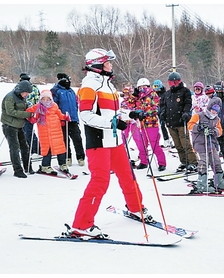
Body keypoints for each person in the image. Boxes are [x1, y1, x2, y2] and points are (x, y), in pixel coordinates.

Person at [65, 48, 151, 238]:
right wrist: (112, 123)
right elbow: (85, 116)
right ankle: (81, 224)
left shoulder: (109, 86)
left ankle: (135, 207)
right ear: (98, 66)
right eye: (108, 62)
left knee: (128, 175)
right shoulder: (89, 86)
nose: (111, 65)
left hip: (115, 140)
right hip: (98, 142)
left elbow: (113, 113)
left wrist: (130, 114)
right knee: (100, 181)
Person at [187, 97, 224, 193]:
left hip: (211, 145)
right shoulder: (199, 115)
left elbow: (220, 131)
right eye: (212, 110)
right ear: (209, 108)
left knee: (216, 162)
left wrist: (214, 131)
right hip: (199, 145)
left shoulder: (217, 119)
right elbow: (190, 125)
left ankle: (219, 181)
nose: (214, 112)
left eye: (216, 111)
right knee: (203, 163)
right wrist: (199, 127)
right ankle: (202, 184)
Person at [159, 71, 198, 172]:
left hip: (181, 121)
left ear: (179, 81)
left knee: (185, 143)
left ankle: (193, 162)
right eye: (171, 82)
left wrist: (186, 112)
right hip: (170, 123)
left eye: (175, 82)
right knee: (177, 145)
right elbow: (163, 105)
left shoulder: (185, 91)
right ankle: (184, 161)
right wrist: (162, 113)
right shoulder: (167, 94)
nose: (173, 84)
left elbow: (188, 103)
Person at [125, 78, 167, 172]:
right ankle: (144, 162)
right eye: (140, 87)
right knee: (142, 144)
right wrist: (133, 96)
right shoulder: (138, 96)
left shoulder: (152, 94)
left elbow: (156, 108)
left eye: (144, 87)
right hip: (141, 124)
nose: (142, 89)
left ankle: (161, 163)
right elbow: (129, 105)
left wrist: (145, 114)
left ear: (148, 86)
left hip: (151, 123)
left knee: (154, 144)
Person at [25, 90, 71, 174]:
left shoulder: (54, 106)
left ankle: (62, 164)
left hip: (56, 131)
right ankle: (45, 166)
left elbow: (60, 114)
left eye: (48, 99)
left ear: (51, 99)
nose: (46, 101)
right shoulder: (37, 107)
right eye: (43, 99)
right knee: (47, 149)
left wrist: (65, 117)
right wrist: (32, 117)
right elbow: (28, 112)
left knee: (60, 148)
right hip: (44, 132)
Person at [1, 80, 35, 178]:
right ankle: (17, 170)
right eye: (26, 93)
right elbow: (10, 111)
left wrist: (32, 111)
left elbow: (24, 108)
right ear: (21, 90)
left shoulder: (22, 97)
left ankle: (28, 166)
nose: (27, 95)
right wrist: (28, 114)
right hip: (9, 126)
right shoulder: (10, 97)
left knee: (25, 147)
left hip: (19, 125)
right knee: (14, 148)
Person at [51, 73, 86, 167]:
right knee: (65, 140)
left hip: (73, 119)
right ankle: (67, 157)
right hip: (62, 119)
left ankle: (80, 157)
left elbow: (75, 104)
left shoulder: (71, 91)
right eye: (66, 81)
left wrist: (76, 117)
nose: (68, 82)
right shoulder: (56, 91)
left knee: (77, 138)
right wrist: (59, 117)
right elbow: (54, 106)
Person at [20, 73, 41, 157]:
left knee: (28, 132)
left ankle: (35, 149)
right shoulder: (18, 88)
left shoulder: (34, 89)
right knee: (23, 132)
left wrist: (36, 112)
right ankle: (26, 149)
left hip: (30, 113)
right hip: (21, 113)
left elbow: (37, 101)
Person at [152, 79, 172, 148]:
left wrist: (163, 111)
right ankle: (166, 140)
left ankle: (172, 140)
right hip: (158, 112)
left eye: (157, 86)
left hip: (165, 112)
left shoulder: (165, 94)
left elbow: (166, 103)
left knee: (168, 125)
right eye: (154, 86)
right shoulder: (154, 94)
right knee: (162, 126)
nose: (156, 88)